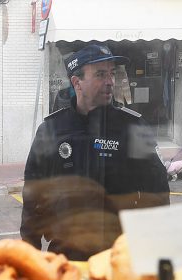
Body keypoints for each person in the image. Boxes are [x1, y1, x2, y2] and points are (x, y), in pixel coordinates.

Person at [20, 44, 170, 260]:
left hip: (119, 257)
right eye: (100, 74)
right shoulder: (52, 130)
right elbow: (33, 198)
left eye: (112, 73)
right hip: (66, 259)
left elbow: (158, 193)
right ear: (76, 82)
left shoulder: (133, 127)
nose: (110, 81)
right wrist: (30, 258)